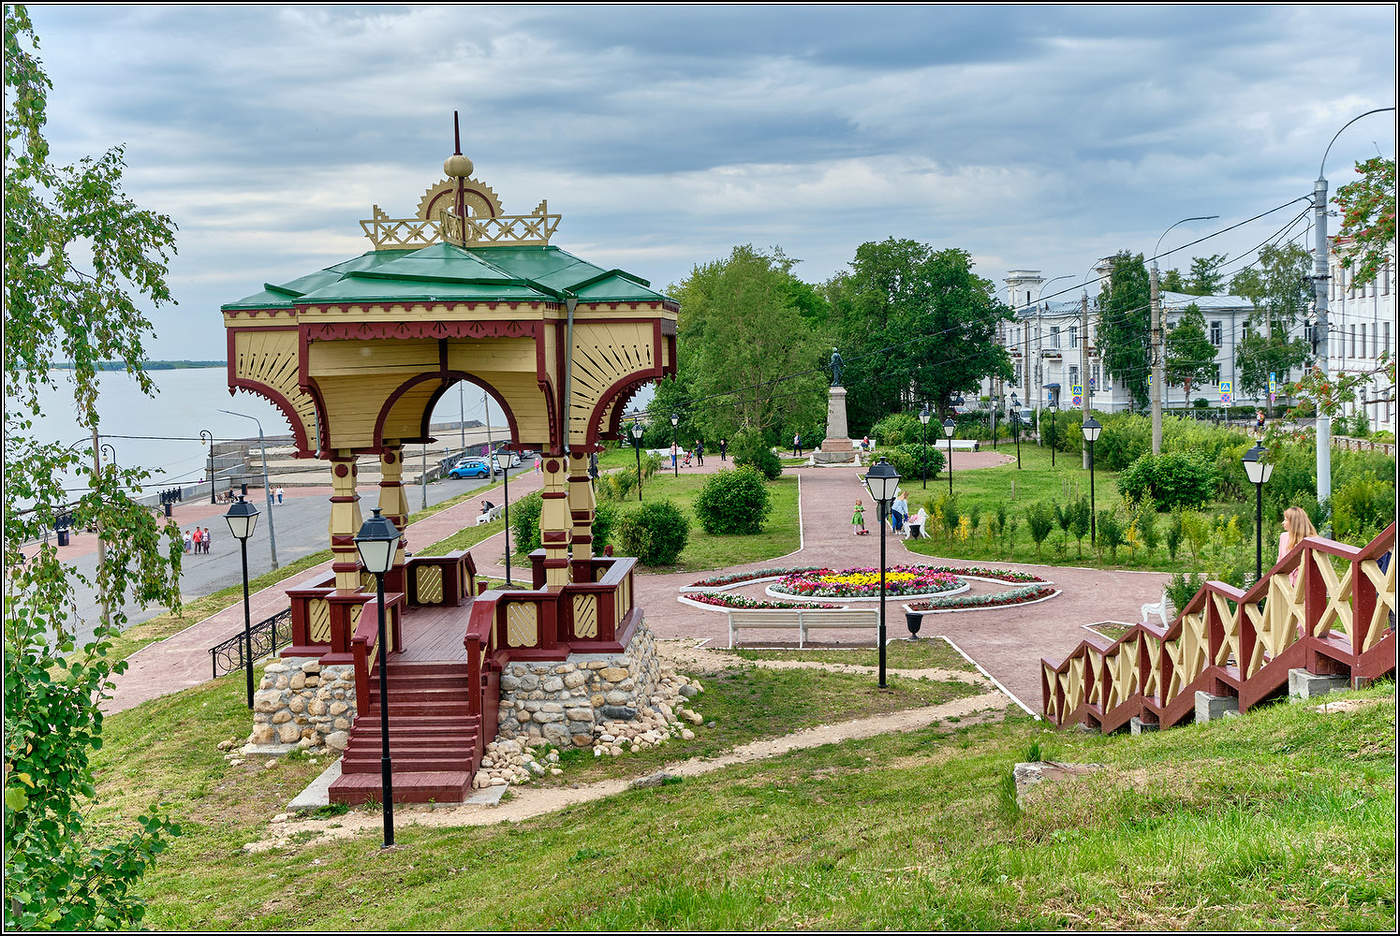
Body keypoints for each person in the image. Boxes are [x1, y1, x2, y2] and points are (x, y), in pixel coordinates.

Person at [1277, 506, 1318, 588]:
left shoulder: (1313, 541)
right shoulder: (1283, 537)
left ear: (1294, 522)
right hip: (1286, 586)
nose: (1283, 523)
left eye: (1285, 520)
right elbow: (1279, 561)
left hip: (1305, 586)